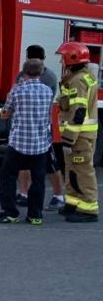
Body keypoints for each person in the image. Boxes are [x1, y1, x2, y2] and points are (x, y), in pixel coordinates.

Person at [0, 58, 54, 224]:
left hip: (18, 144)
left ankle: (10, 213)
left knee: (8, 176)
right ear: (41, 72)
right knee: (38, 181)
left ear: (24, 72)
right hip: (40, 144)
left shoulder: (17, 91)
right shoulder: (48, 91)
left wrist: (4, 108)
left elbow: (5, 114)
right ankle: (35, 215)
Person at [14, 45, 64, 209]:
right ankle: (24, 194)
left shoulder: (48, 76)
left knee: (50, 162)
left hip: (42, 127)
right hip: (26, 126)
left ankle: (58, 195)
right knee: (23, 162)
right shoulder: (22, 75)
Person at [56, 41, 99, 223]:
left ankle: (89, 209)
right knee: (72, 169)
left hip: (79, 136)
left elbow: (78, 112)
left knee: (82, 172)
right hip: (82, 135)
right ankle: (73, 203)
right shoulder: (84, 76)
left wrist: (68, 139)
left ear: (72, 58)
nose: (61, 61)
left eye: (63, 57)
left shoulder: (77, 80)